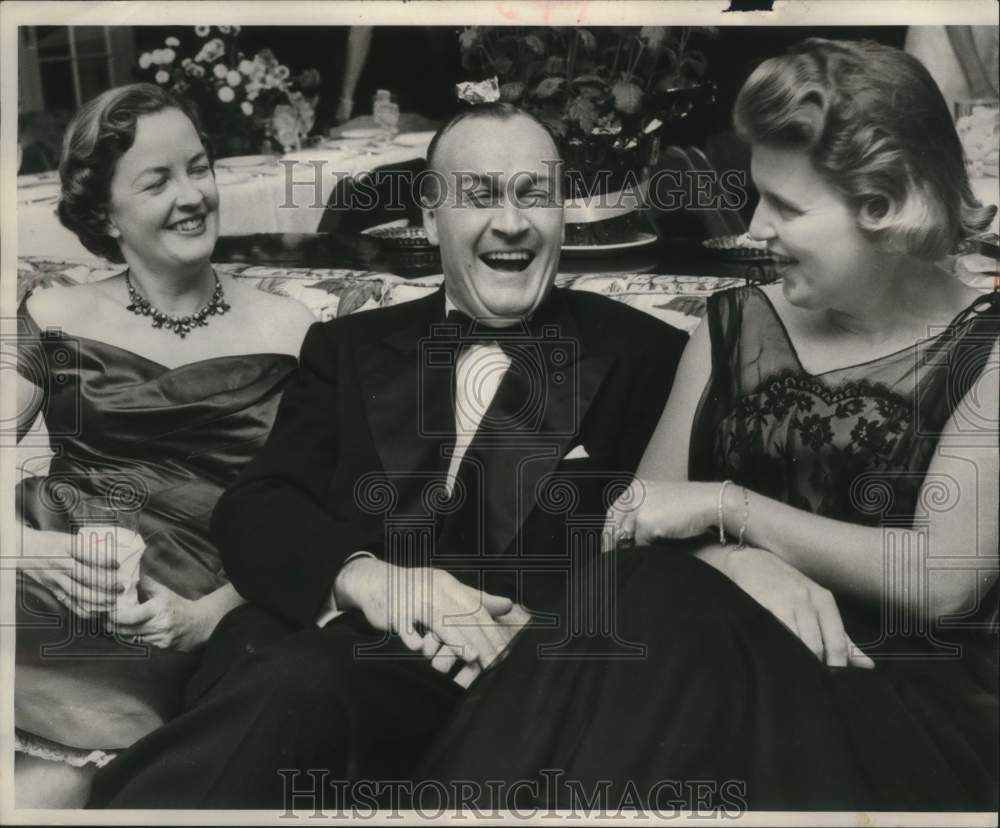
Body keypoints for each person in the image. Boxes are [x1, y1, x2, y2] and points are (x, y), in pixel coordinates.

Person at [416, 39, 999, 812]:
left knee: (658, 607)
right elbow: (629, 527)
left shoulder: (987, 348)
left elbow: (942, 583)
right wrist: (736, 568)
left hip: (887, 695)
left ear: (885, 207)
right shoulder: (732, 325)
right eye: (759, 195)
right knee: (647, 594)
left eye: (787, 207)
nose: (755, 227)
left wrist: (731, 508)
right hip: (706, 664)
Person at [84, 101, 687, 809]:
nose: (514, 222)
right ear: (430, 218)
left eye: (535, 194)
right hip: (310, 655)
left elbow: (670, 563)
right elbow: (258, 507)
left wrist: (538, 634)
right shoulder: (351, 346)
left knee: (302, 686)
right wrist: (371, 582)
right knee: (293, 680)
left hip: (502, 689)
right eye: (481, 195)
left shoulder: (647, 356)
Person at [14, 82, 315, 807]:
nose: (193, 195)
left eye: (200, 167)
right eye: (158, 180)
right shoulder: (52, 314)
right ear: (104, 213)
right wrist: (34, 551)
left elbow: (318, 520)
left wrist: (212, 612)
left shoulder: (292, 328)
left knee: (43, 789)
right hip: (42, 565)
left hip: (164, 607)